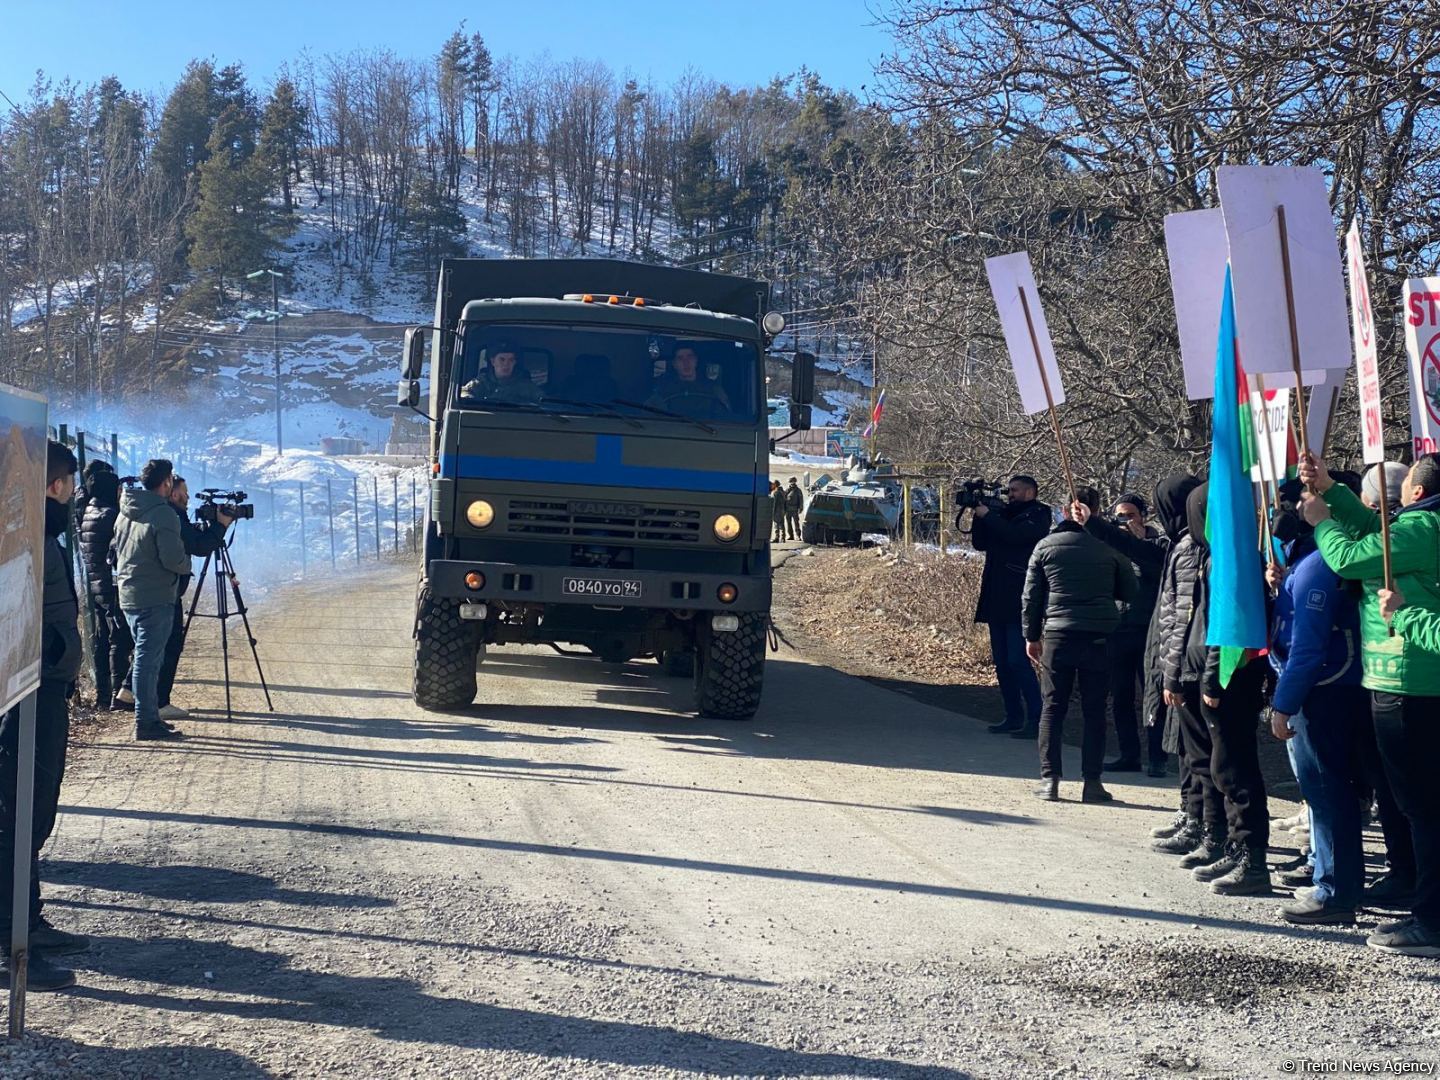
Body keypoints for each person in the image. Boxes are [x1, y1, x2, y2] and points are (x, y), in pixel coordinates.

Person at [1300, 450, 1440, 956]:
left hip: (1411, 687)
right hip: (1405, 686)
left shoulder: (1421, 528)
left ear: (1417, 494)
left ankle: (1431, 919)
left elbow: (1351, 556)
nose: (1389, 505)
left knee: (1423, 808)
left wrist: (1320, 522)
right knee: (1412, 804)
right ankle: (1416, 890)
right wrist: (1332, 491)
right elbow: (1371, 531)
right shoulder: (1418, 526)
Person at [0, 440, 86, 991]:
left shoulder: (41, 532)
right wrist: (53, 653)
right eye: (70, 484)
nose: (76, 495)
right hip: (29, 688)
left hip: (41, 683)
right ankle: (14, 932)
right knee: (21, 806)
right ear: (54, 485)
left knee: (30, 807)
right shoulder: (26, 536)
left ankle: (24, 918)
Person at [1266, 472, 1367, 925]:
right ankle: (1332, 877)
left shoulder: (1320, 566)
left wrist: (1283, 703)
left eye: (1300, 498)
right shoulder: (1314, 561)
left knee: (1325, 792)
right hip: (1339, 687)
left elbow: (1305, 647)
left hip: (1321, 691)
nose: (1290, 508)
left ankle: (1335, 891)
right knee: (1333, 793)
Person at [1022, 487, 1137, 803]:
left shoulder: (1045, 547)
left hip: (1058, 634)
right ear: (1096, 511)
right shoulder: (1109, 546)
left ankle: (1050, 779)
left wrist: (1031, 636)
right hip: (1099, 635)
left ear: (1063, 510)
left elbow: (1031, 597)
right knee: (1095, 710)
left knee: (1053, 707)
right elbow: (1130, 590)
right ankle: (1092, 782)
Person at [1086, 491, 1168, 775]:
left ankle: (1157, 757)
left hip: (1149, 630)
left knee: (1152, 696)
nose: (1125, 521)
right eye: (1120, 516)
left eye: (1130, 515)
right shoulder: (1112, 545)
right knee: (1120, 696)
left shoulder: (1159, 544)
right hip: (1118, 628)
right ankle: (1128, 754)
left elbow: (1158, 574)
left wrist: (1137, 541)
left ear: (1143, 517)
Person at [1144, 474, 1203, 850]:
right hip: (1176, 659)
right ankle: (1190, 810)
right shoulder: (1179, 544)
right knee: (1185, 747)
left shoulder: (1191, 548)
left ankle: (1199, 820)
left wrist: (1171, 673)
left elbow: (1182, 614)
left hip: (1185, 663)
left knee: (1194, 750)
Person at [114, 458, 190, 741]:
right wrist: (187, 564)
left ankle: (149, 716)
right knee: (148, 661)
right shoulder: (163, 514)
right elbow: (172, 559)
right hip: (155, 595)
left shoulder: (126, 509)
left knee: (145, 657)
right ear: (167, 481)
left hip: (129, 593)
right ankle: (146, 721)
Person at [972, 476, 1052, 738]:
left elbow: (1015, 536)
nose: (1010, 494)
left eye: (1015, 490)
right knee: (1003, 662)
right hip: (996, 595)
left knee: (1018, 660)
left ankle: (1037, 718)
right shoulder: (1002, 513)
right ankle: (1013, 715)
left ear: (1030, 492)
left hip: (1020, 598)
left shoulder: (1040, 515)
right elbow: (980, 543)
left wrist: (989, 515)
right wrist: (978, 513)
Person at [155, 475, 229, 722]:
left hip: (156, 589)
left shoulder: (165, 513)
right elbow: (200, 547)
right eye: (185, 493)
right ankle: (159, 702)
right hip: (166, 591)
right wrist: (220, 526)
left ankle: (132, 691)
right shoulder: (172, 517)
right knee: (168, 644)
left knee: (152, 644)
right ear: (174, 494)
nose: (188, 497)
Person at [77, 469, 133, 710]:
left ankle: (103, 695)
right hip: (112, 585)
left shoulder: (89, 511)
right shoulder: (110, 515)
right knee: (119, 641)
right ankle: (118, 694)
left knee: (103, 641)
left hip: (96, 584)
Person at [648, 345, 731, 418]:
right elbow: (650, 415)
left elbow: (725, 417)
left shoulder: (713, 390)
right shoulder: (663, 390)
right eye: (680, 358)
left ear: (696, 360)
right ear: (674, 364)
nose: (686, 362)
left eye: (690, 357)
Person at [459, 342, 543, 405]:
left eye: (511, 360)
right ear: (493, 361)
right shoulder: (482, 381)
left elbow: (543, 401)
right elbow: (464, 392)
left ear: (515, 362)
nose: (506, 364)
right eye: (502, 359)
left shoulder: (526, 386)